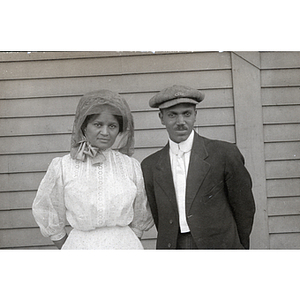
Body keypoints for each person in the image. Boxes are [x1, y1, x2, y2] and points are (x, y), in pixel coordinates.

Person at [32, 89, 153, 249]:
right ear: (84, 127)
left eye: (112, 126)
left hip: (124, 246)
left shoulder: (130, 166)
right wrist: (68, 246)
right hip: (81, 246)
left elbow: (141, 212)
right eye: (98, 124)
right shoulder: (63, 166)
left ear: (119, 130)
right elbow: (48, 211)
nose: (105, 132)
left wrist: (129, 240)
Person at [141, 85, 256, 249]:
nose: (181, 122)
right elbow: (159, 216)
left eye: (186, 114)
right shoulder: (150, 165)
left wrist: (238, 247)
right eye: (172, 115)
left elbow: (245, 209)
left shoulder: (223, 154)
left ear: (195, 115)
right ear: (161, 118)